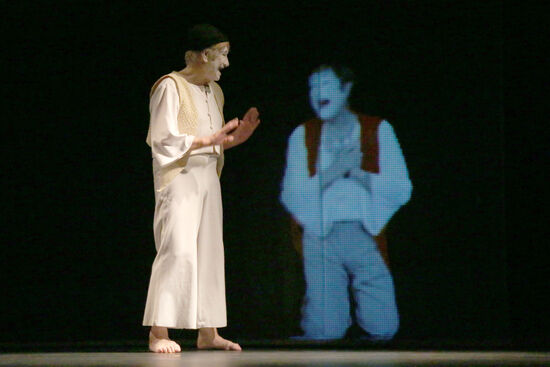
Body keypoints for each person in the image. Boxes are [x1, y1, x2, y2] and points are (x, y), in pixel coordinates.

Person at [143, 24, 260, 353]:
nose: (225, 63)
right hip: (179, 177)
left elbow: (213, 142)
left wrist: (233, 140)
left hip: (208, 176)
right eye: (221, 54)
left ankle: (208, 332)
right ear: (203, 54)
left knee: (210, 253)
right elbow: (162, 139)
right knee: (177, 250)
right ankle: (158, 331)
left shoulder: (214, 91)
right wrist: (209, 140)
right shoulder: (170, 86)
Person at [280, 64, 412, 341]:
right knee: (325, 330)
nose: (318, 94)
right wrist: (335, 170)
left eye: (325, 86)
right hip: (321, 235)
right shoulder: (302, 135)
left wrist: (364, 177)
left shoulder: (378, 130)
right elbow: (293, 194)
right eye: (312, 87)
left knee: (384, 326)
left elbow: (400, 187)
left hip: (363, 233)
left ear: (345, 88)